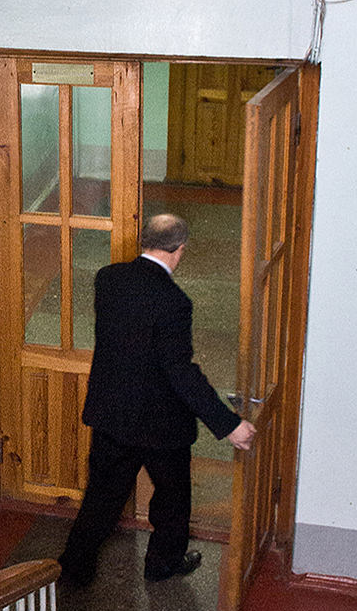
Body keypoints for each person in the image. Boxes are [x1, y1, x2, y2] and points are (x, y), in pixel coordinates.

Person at [59, 212, 256, 587]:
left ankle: (73, 570)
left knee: (100, 499)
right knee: (173, 497)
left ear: (144, 241)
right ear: (180, 249)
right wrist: (228, 424)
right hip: (160, 424)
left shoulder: (108, 279)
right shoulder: (174, 302)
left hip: (113, 413)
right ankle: (162, 563)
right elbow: (180, 371)